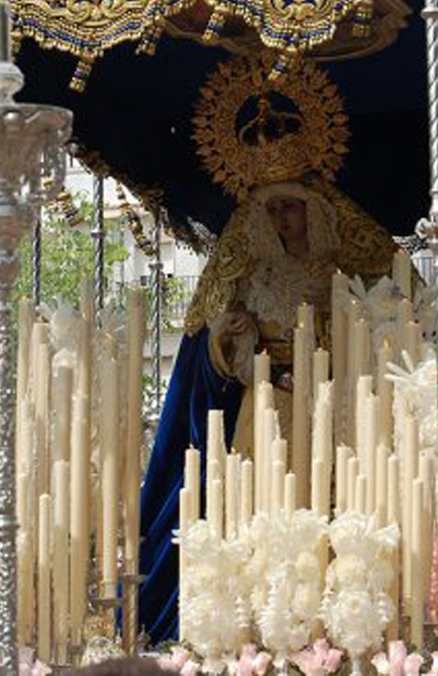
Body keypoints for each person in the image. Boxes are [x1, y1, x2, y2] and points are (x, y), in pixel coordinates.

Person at [137, 175, 394, 642]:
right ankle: (255, 612)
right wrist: (231, 333)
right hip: (264, 408)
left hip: (324, 406)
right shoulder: (255, 277)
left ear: (311, 211)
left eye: (290, 208)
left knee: (322, 498)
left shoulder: (334, 274)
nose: (281, 219)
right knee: (255, 502)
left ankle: (321, 615)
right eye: (272, 211)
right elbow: (222, 360)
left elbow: (368, 336)